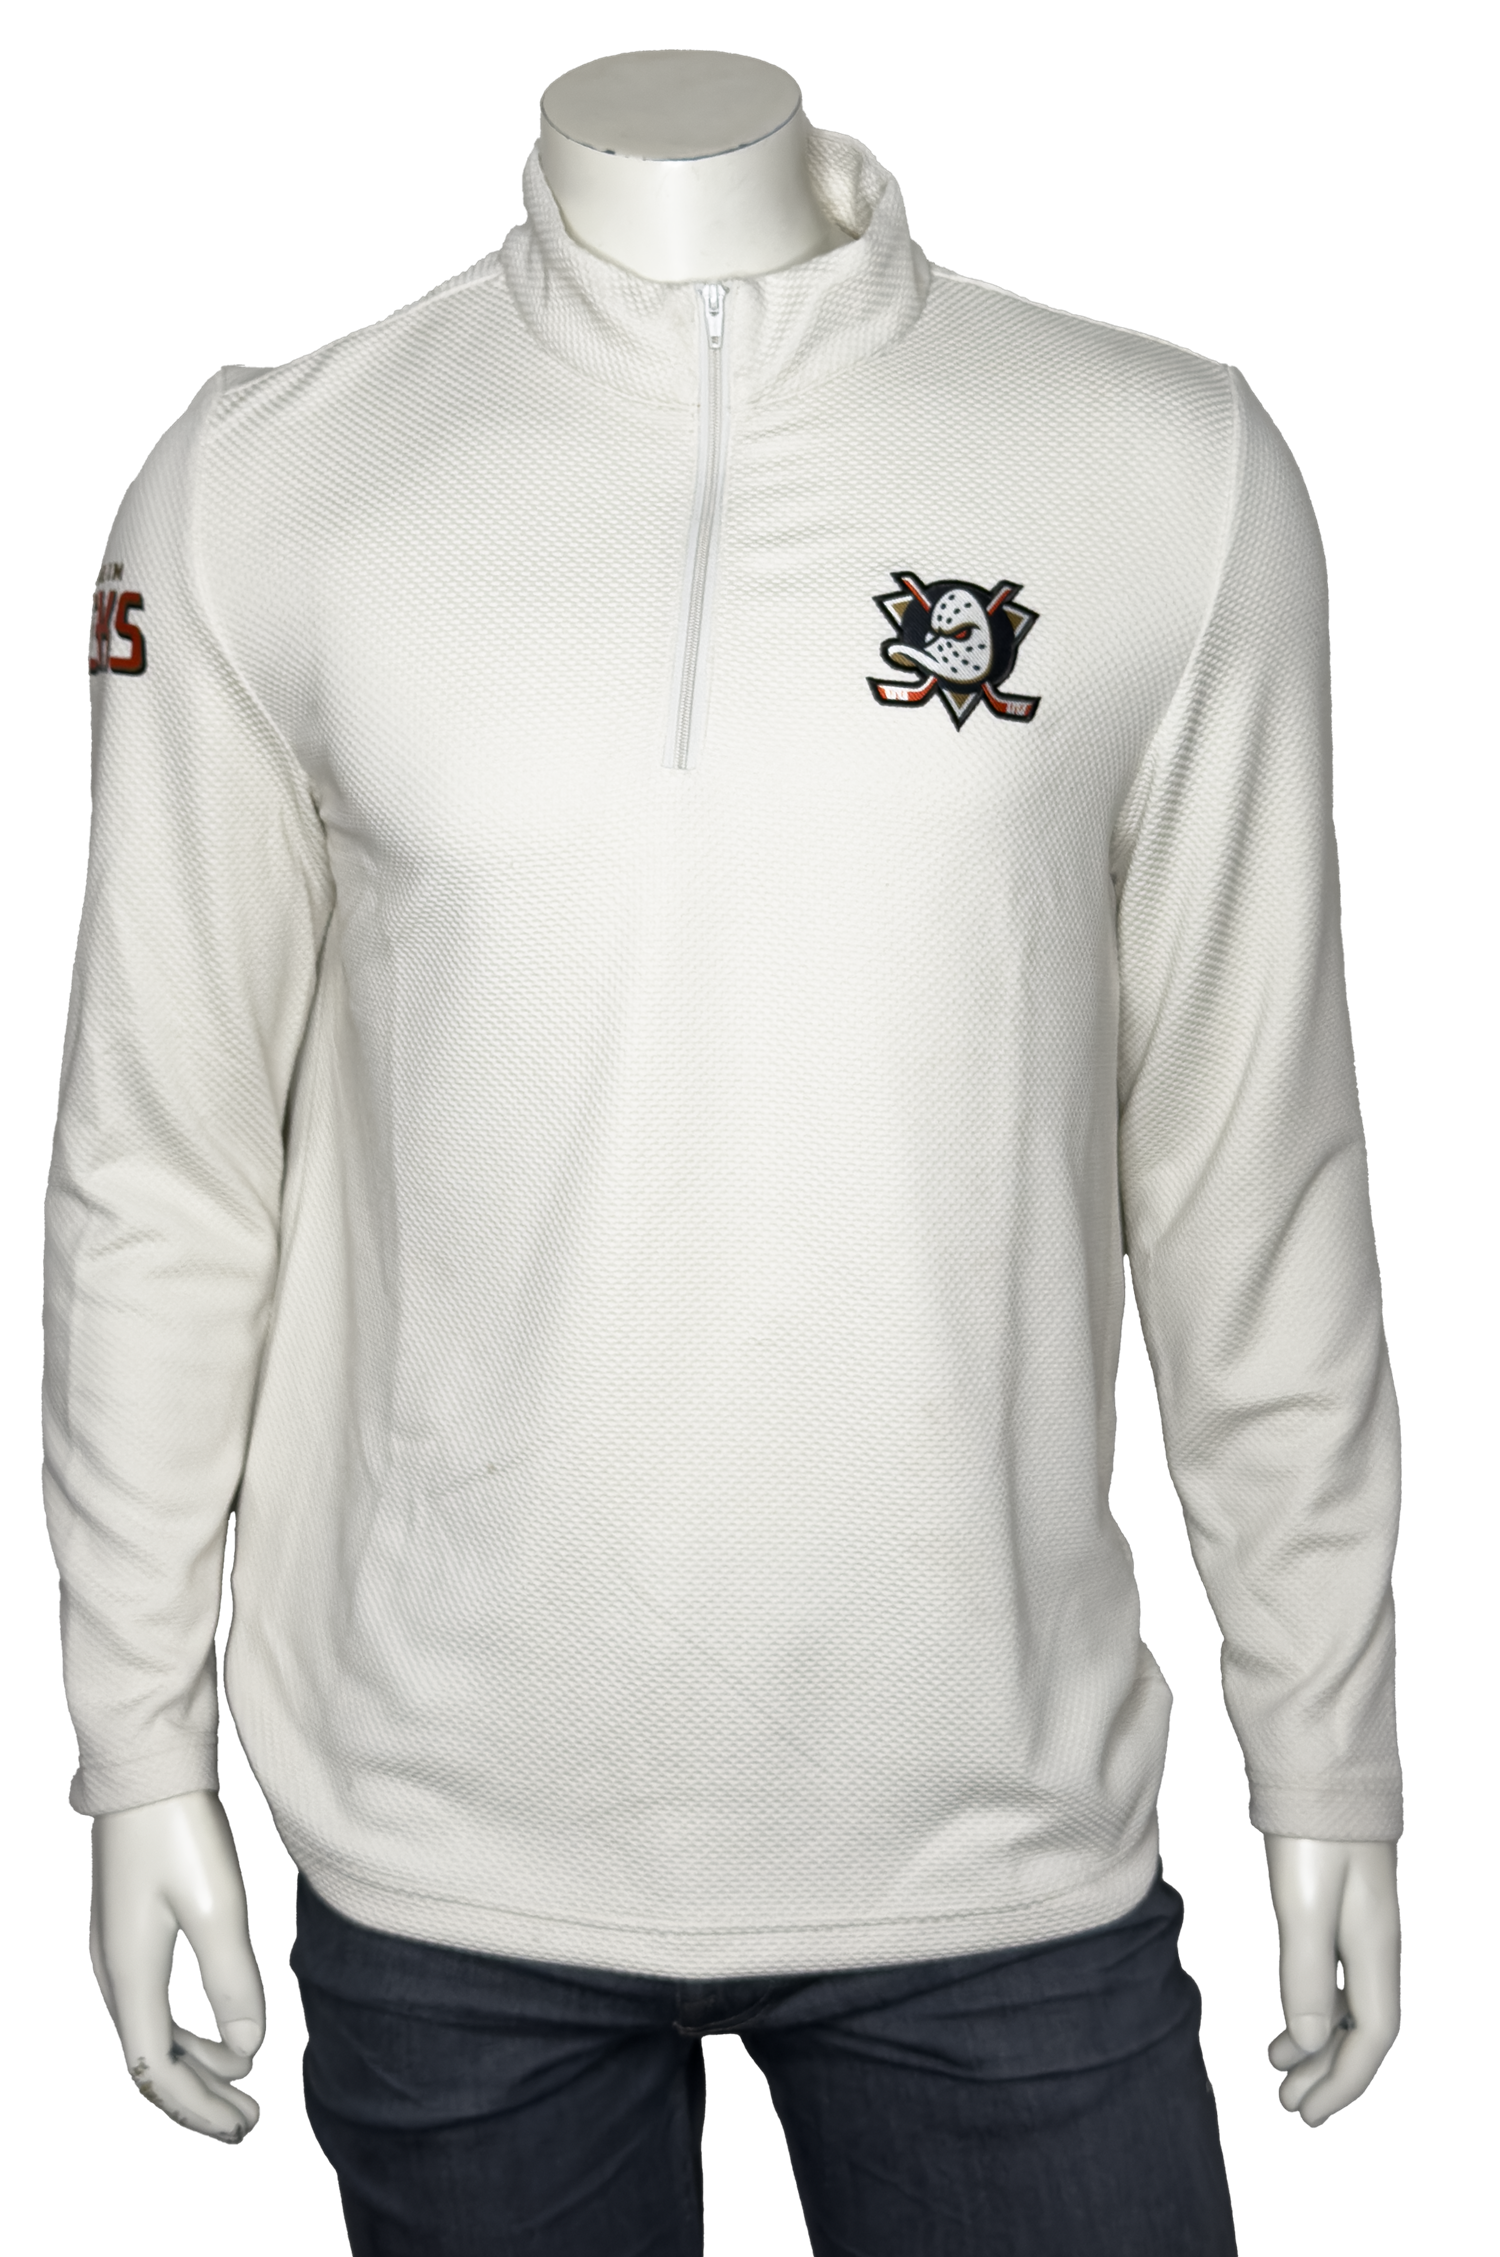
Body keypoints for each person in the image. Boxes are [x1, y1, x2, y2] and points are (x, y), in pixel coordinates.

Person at [52, 48, 1402, 2255]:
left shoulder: (1166, 467)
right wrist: (138, 1741)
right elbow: (163, 1164)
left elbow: (1252, 1165)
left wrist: (1327, 1750)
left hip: (998, 1838)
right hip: (441, 1846)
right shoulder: (269, 480)